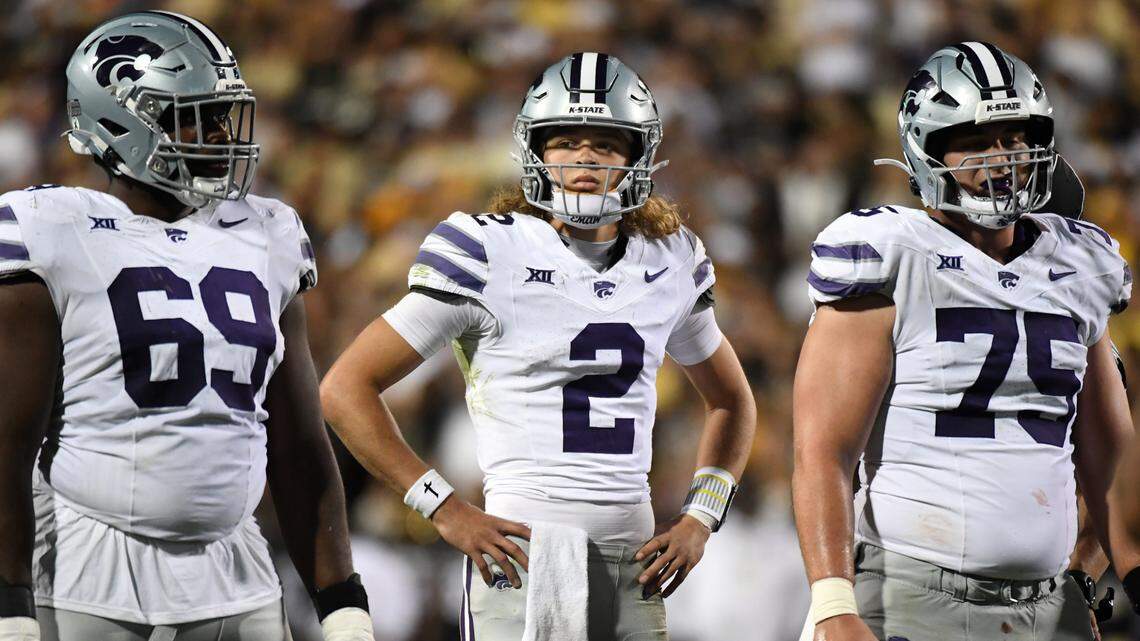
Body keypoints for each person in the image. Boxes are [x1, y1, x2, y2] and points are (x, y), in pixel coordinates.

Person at [320, 52, 756, 640]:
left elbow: (733, 401)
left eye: (605, 144)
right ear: (536, 151)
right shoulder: (487, 253)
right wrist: (445, 509)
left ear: (638, 156)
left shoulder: (670, 259)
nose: (583, 159)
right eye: (565, 142)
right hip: (522, 561)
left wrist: (702, 516)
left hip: (636, 568)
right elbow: (345, 388)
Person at [0, 11, 374, 641]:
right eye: (190, 116)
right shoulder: (50, 227)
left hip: (237, 572)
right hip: (83, 570)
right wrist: (9, 606)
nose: (219, 133)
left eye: (222, 113)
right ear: (116, 121)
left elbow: (298, 442)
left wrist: (342, 603)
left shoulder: (269, 232)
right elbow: (5, 445)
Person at [792, 42, 1140, 640]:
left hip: (1049, 606)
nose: (1002, 159)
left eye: (1015, 138)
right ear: (926, 150)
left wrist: (1115, 574)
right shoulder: (890, 253)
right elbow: (823, 453)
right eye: (977, 142)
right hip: (913, 594)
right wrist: (832, 603)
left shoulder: (1081, 262)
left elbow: (1109, 462)